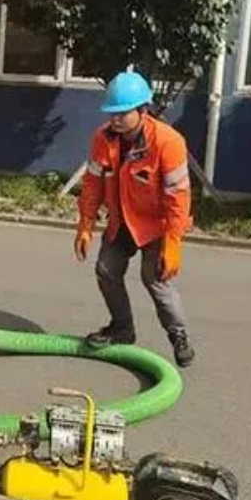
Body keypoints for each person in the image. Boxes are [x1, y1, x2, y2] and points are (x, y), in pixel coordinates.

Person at [74, 71, 196, 368]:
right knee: (106, 270)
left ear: (143, 110)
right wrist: (86, 225)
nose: (115, 119)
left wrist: (173, 242)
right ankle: (122, 329)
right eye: (112, 112)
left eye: (122, 113)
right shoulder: (103, 139)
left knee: (155, 281)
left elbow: (178, 198)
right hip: (121, 221)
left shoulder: (168, 142)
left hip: (157, 226)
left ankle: (179, 336)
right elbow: (92, 184)